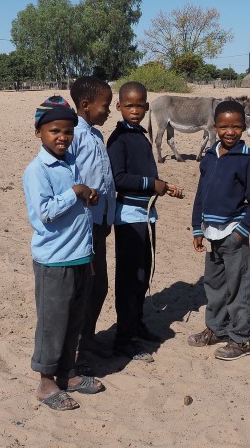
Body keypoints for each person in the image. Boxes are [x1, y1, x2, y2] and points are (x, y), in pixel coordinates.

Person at [22, 96, 105, 411]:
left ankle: (67, 375)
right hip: (54, 261)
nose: (62, 137)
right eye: (54, 130)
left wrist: (88, 197)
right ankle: (46, 383)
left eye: (68, 132)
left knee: (74, 320)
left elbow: (76, 205)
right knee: (52, 322)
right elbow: (43, 213)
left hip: (80, 256)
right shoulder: (37, 170)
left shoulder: (72, 162)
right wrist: (75, 193)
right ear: (38, 132)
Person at [107, 81, 183, 362]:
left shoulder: (139, 134)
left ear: (147, 106)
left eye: (140, 105)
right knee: (129, 279)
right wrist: (153, 184)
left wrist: (161, 186)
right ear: (119, 107)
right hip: (128, 216)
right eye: (129, 105)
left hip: (145, 213)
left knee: (143, 274)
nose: (135, 110)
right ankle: (123, 339)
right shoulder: (118, 138)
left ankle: (136, 324)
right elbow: (118, 178)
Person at [188, 100, 250, 360]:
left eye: (235, 126)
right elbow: (201, 193)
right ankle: (217, 328)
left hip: (233, 233)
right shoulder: (210, 156)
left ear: (243, 127)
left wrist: (242, 231)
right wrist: (197, 227)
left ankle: (242, 340)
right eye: (223, 126)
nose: (229, 132)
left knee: (238, 286)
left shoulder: (248, 159)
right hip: (211, 233)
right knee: (215, 284)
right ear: (214, 126)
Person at [68, 77, 116, 367]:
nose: (109, 111)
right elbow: (72, 179)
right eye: (105, 106)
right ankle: (75, 349)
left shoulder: (96, 135)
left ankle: (88, 338)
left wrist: (108, 217)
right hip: (84, 224)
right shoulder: (74, 136)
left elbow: (105, 180)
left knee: (100, 286)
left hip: (100, 222)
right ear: (85, 105)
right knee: (86, 287)